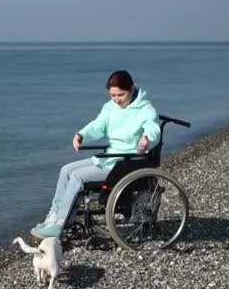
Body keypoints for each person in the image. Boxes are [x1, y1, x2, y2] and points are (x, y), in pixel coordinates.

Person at [30, 70, 161, 239]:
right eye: (113, 95)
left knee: (78, 176)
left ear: (132, 88)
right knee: (66, 170)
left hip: (127, 161)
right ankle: (53, 217)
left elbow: (153, 128)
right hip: (111, 157)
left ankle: (61, 223)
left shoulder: (145, 109)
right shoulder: (110, 107)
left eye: (121, 95)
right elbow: (98, 125)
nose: (117, 100)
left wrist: (146, 139)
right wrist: (82, 135)